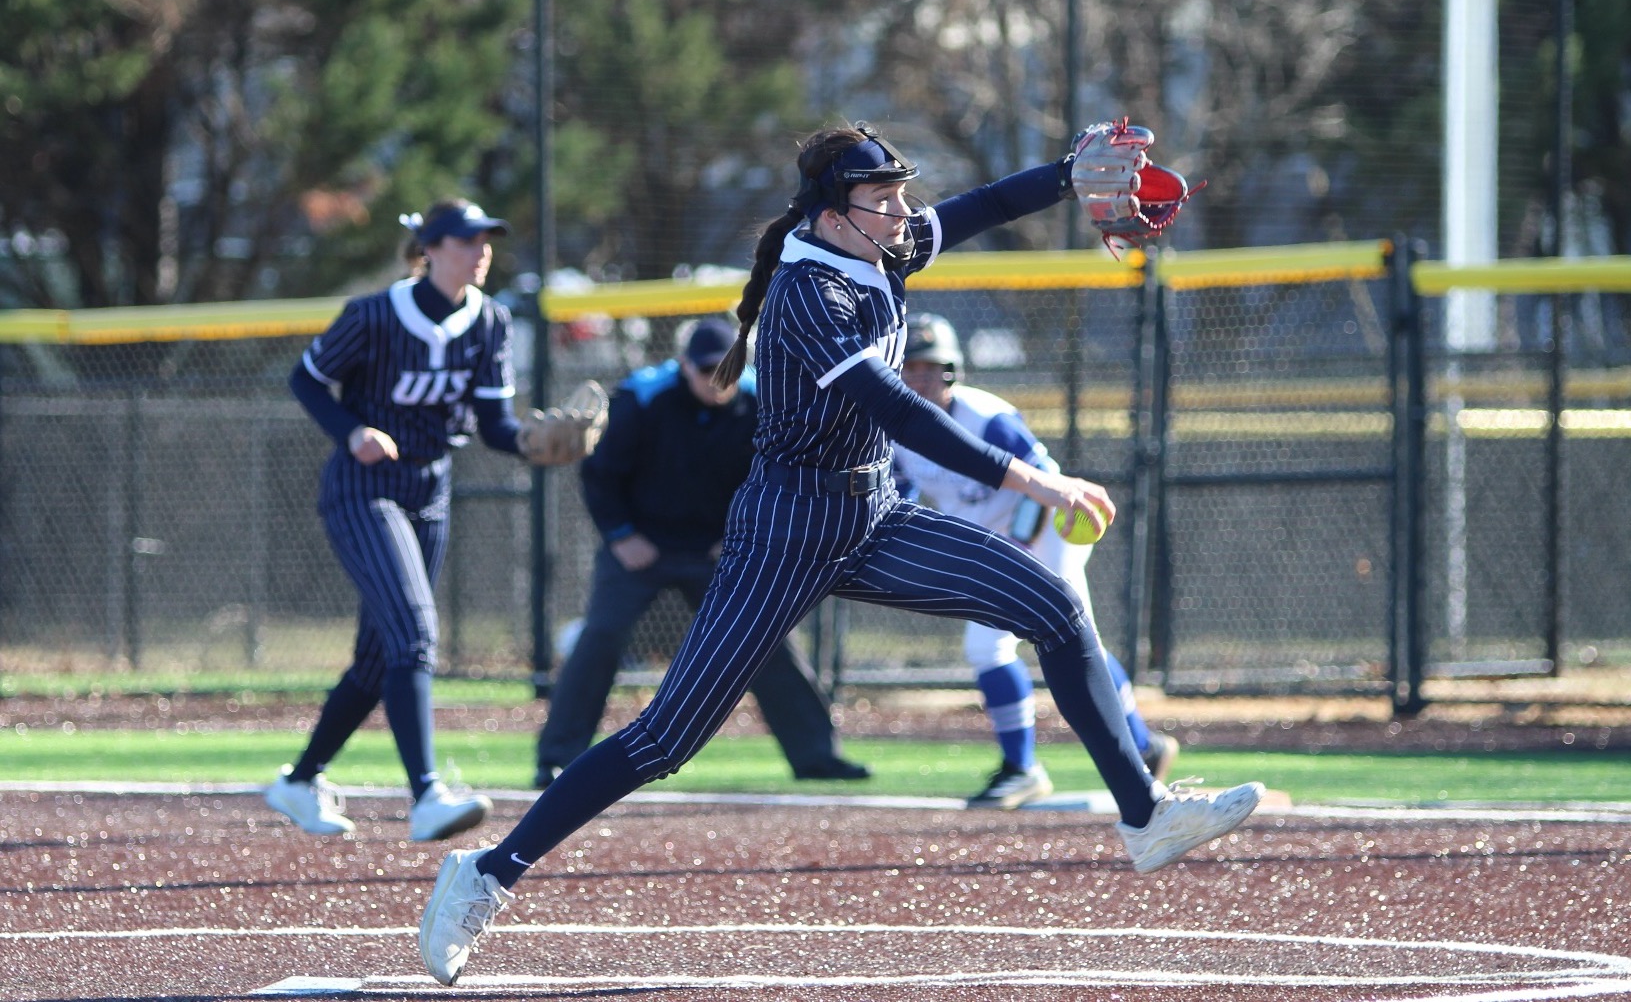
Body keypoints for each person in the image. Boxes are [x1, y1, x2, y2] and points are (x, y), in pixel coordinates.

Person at [419, 122, 1265, 985]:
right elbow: (903, 413)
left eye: (901, 193)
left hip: (870, 514)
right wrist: (1035, 484)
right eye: (884, 198)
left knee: (1055, 607)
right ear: (833, 213)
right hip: (785, 531)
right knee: (665, 738)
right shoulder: (807, 295)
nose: (904, 211)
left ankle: (1145, 814)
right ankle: (485, 875)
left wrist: (1062, 173)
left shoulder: (878, 244)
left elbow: (985, 206)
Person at [267, 198, 553, 843]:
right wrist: (352, 431)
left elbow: (494, 425)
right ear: (430, 249)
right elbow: (307, 380)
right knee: (415, 633)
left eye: (486, 241)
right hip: (363, 487)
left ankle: (298, 780)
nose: (480, 252)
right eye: (465, 241)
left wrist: (536, 443)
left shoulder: (491, 322)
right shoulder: (373, 314)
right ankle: (426, 795)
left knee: (379, 656)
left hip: (430, 488)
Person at [533, 317, 870, 790]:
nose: (719, 380)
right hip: (641, 545)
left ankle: (817, 756)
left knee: (766, 639)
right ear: (683, 366)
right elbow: (600, 475)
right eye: (707, 369)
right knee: (601, 636)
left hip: (721, 548)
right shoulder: (640, 399)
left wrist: (740, 534)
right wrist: (621, 534)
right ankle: (557, 758)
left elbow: (774, 476)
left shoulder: (765, 400)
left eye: (728, 369)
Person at [893, 312, 1179, 809]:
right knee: (1000, 648)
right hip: (989, 537)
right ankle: (1137, 747)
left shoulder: (987, 416)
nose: (920, 377)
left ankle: (1027, 767)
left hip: (1045, 529)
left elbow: (1044, 480)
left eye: (930, 366)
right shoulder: (895, 429)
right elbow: (897, 495)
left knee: (1046, 638)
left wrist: (1020, 549)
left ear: (953, 370)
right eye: (910, 366)